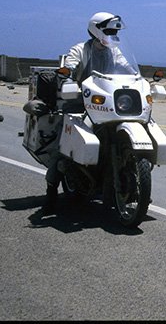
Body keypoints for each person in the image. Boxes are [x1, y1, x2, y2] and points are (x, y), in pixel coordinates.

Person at [42, 11, 131, 214]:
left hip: (106, 103)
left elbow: (127, 68)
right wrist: (68, 75)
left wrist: (137, 77)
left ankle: (130, 179)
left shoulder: (114, 51)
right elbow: (70, 65)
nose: (111, 34)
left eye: (113, 31)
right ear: (96, 30)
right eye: (108, 30)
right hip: (80, 102)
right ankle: (51, 191)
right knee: (62, 144)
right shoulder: (80, 49)